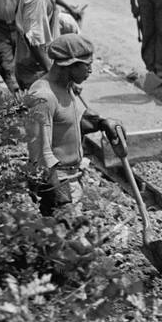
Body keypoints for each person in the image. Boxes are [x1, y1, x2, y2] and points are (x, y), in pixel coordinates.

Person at [24, 34, 119, 220]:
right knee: (61, 238)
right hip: (56, 182)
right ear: (69, 65)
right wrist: (62, 200)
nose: (90, 70)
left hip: (71, 178)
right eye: (87, 65)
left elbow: (71, 121)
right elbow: (40, 154)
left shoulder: (66, 87)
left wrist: (101, 123)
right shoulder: (43, 96)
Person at [13, 0, 81, 90]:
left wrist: (69, 9)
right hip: (34, 71)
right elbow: (34, 41)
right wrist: (55, 75)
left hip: (38, 67)